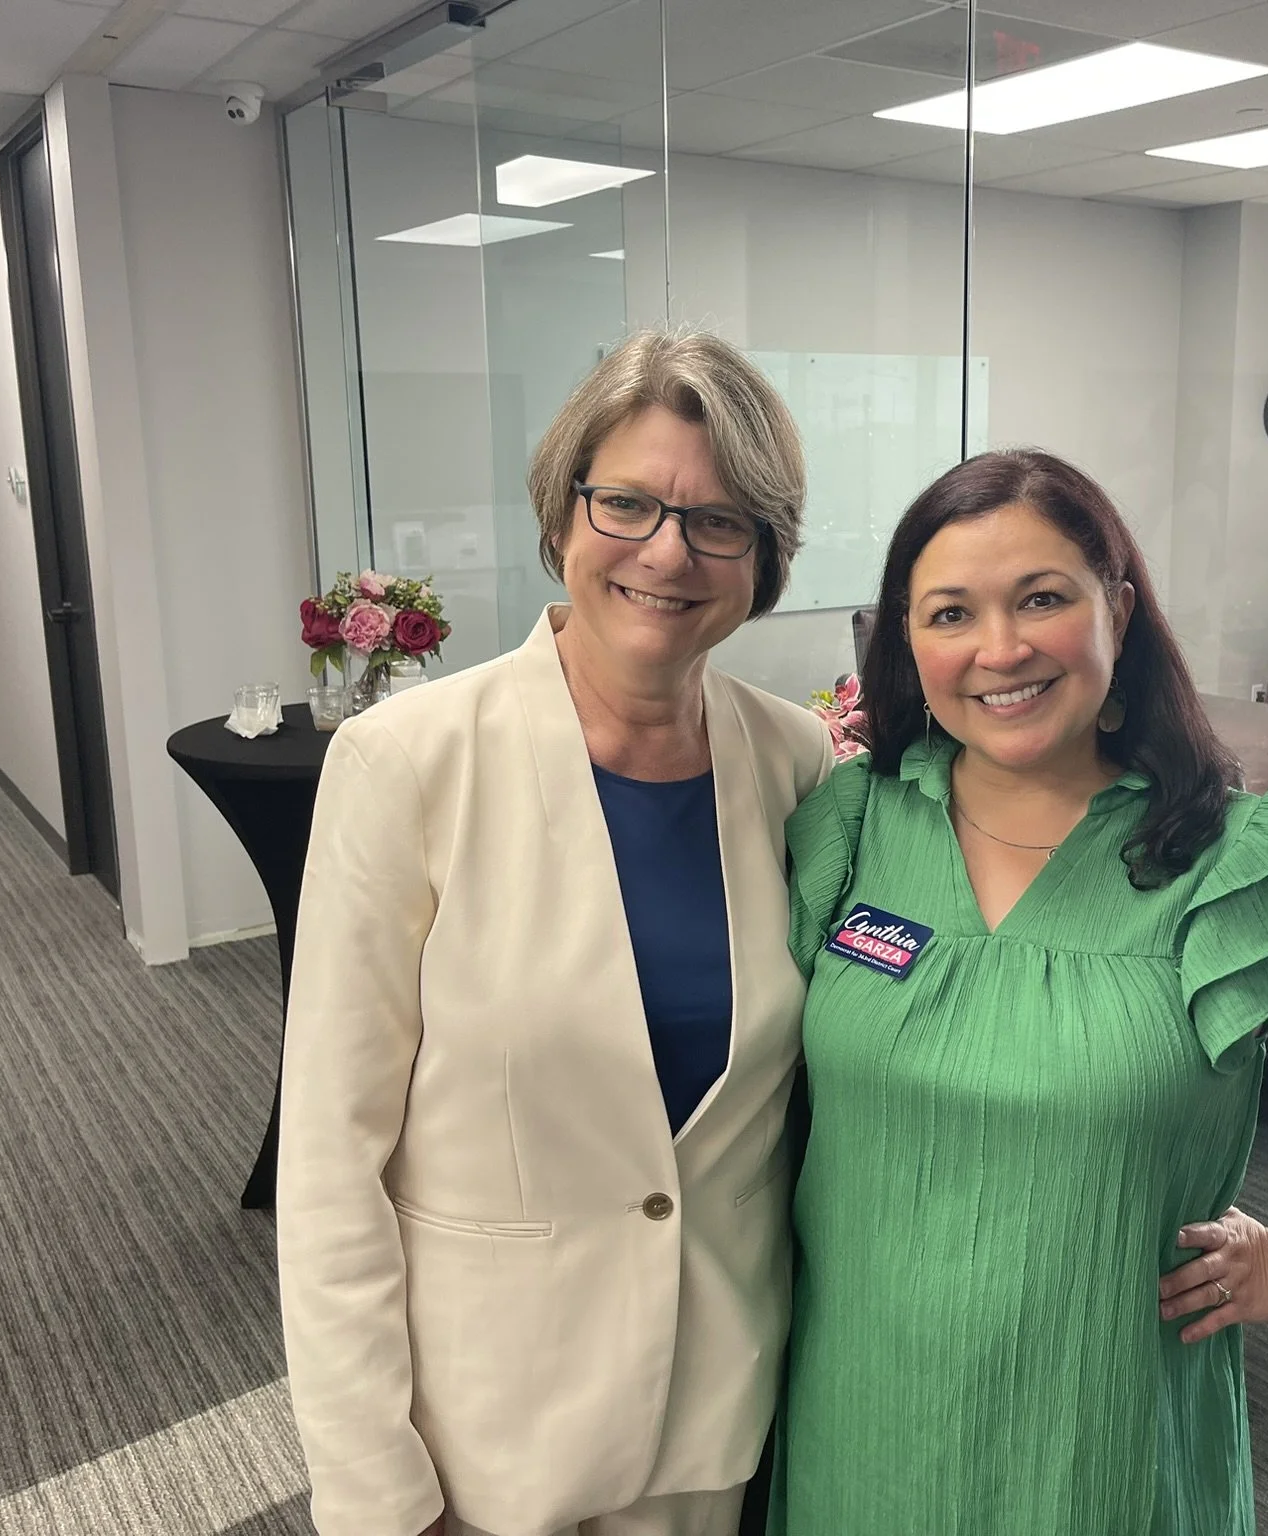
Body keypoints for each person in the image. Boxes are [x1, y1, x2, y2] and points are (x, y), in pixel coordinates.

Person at [773, 450, 1268, 1534]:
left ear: (1115, 610)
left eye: (1041, 598)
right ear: (907, 643)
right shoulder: (849, 826)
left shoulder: (1228, 860)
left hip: (1099, 1441)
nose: (1000, 648)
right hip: (862, 1420)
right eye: (950, 613)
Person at [277, 329, 834, 1536]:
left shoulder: (795, 761)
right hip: (485, 1439)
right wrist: (375, 1490)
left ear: (763, 555)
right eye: (625, 502)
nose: (666, 552)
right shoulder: (407, 763)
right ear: (562, 511)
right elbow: (328, 1166)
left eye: (718, 521)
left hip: (712, 1414)